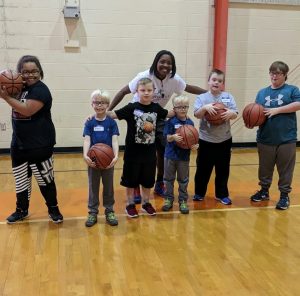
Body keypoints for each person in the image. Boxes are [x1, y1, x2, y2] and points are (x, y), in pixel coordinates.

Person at [108, 50, 206, 202]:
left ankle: (159, 182)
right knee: (138, 150)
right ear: (156, 62)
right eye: (162, 61)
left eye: (169, 63)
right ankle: (135, 188)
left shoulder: (174, 79)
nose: (165, 65)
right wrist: (108, 111)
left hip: (158, 115)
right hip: (139, 114)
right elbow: (123, 91)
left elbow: (188, 88)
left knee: (162, 149)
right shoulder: (144, 76)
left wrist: (209, 94)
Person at [0, 55, 63, 223]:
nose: (30, 75)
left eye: (34, 71)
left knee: (45, 180)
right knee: (21, 181)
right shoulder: (17, 87)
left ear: (40, 72)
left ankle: (53, 209)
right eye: (25, 72)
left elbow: (27, 110)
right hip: (19, 145)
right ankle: (21, 210)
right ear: (19, 73)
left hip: (40, 144)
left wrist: (6, 97)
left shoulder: (41, 90)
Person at [107, 78, 174, 218]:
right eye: (143, 90)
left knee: (148, 180)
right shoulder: (131, 107)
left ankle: (146, 203)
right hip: (132, 153)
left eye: (149, 90)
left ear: (154, 92)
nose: (146, 93)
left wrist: (181, 107)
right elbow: (113, 115)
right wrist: (97, 113)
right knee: (130, 181)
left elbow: (167, 114)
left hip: (149, 153)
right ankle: (130, 204)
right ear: (137, 91)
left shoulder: (156, 108)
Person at [249, 61, 300, 210]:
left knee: (285, 169)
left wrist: (276, 110)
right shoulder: (262, 93)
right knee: (264, 169)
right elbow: (256, 113)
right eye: (272, 72)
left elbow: (298, 103)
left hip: (287, 139)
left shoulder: (292, 90)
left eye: (277, 73)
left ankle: (284, 196)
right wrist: (251, 121)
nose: (274, 76)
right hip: (265, 138)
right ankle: (264, 191)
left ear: (285, 75)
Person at [193, 69, 238, 205]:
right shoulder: (202, 98)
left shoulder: (228, 97)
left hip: (224, 139)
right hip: (206, 139)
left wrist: (231, 113)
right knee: (203, 169)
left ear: (222, 83)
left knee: (223, 169)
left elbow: (235, 113)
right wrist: (205, 108)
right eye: (214, 80)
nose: (216, 83)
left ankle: (222, 194)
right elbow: (197, 114)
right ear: (208, 81)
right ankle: (199, 193)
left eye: (219, 81)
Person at [83, 90, 119, 227]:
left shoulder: (111, 123)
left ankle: (109, 210)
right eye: (97, 102)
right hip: (93, 161)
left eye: (103, 103)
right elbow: (87, 140)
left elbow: (114, 140)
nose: (100, 105)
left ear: (108, 105)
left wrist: (115, 156)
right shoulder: (89, 122)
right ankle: (92, 212)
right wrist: (85, 155)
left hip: (108, 161)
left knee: (108, 186)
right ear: (92, 104)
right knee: (93, 187)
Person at [162, 95, 199, 214]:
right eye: (180, 107)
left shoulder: (190, 122)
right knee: (168, 179)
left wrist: (194, 146)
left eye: (185, 107)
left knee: (183, 180)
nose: (183, 109)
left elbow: (193, 140)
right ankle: (168, 199)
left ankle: (183, 201)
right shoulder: (170, 122)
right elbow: (166, 137)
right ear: (174, 109)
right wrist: (173, 137)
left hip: (183, 157)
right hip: (170, 156)